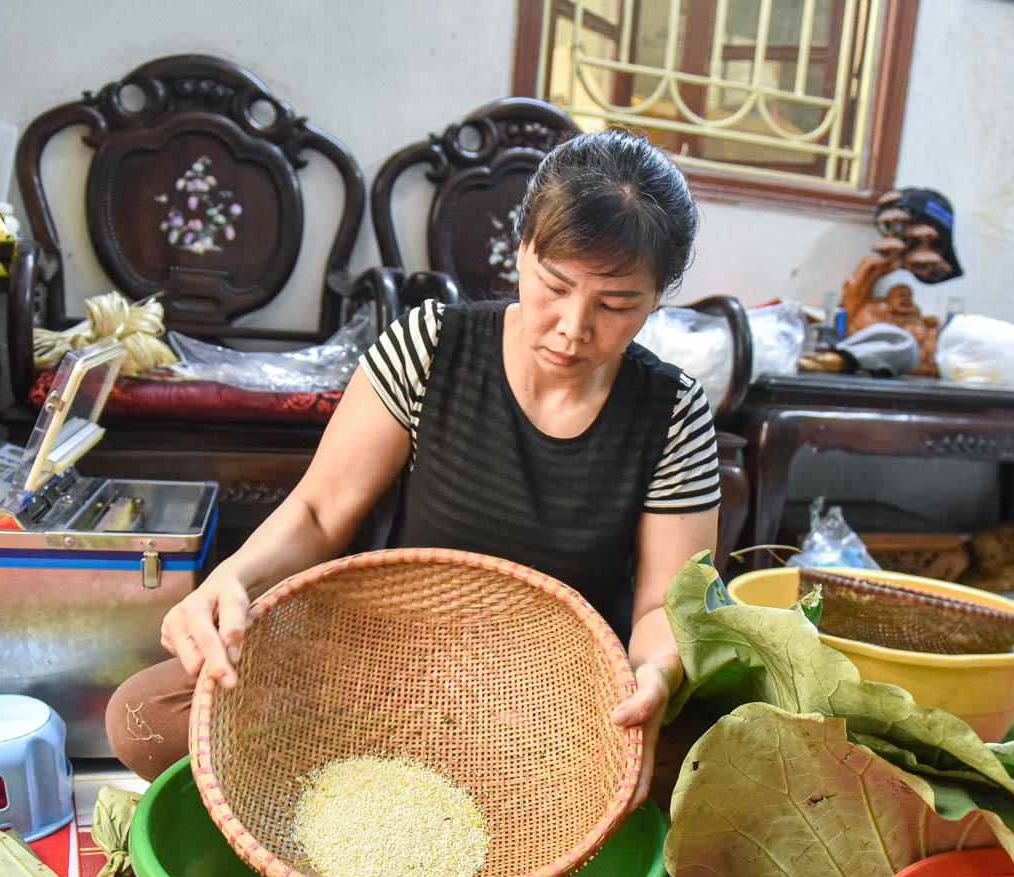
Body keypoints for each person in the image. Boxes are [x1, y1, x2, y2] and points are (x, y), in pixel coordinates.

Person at [104, 130, 722, 809]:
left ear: (658, 297)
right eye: (555, 286)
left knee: (710, 770)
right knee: (148, 716)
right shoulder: (433, 345)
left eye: (616, 305)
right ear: (522, 253)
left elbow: (665, 605)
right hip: (396, 664)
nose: (573, 327)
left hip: (549, 692)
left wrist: (653, 679)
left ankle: (406, 779)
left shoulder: (672, 412)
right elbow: (318, 512)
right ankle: (447, 783)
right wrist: (232, 579)